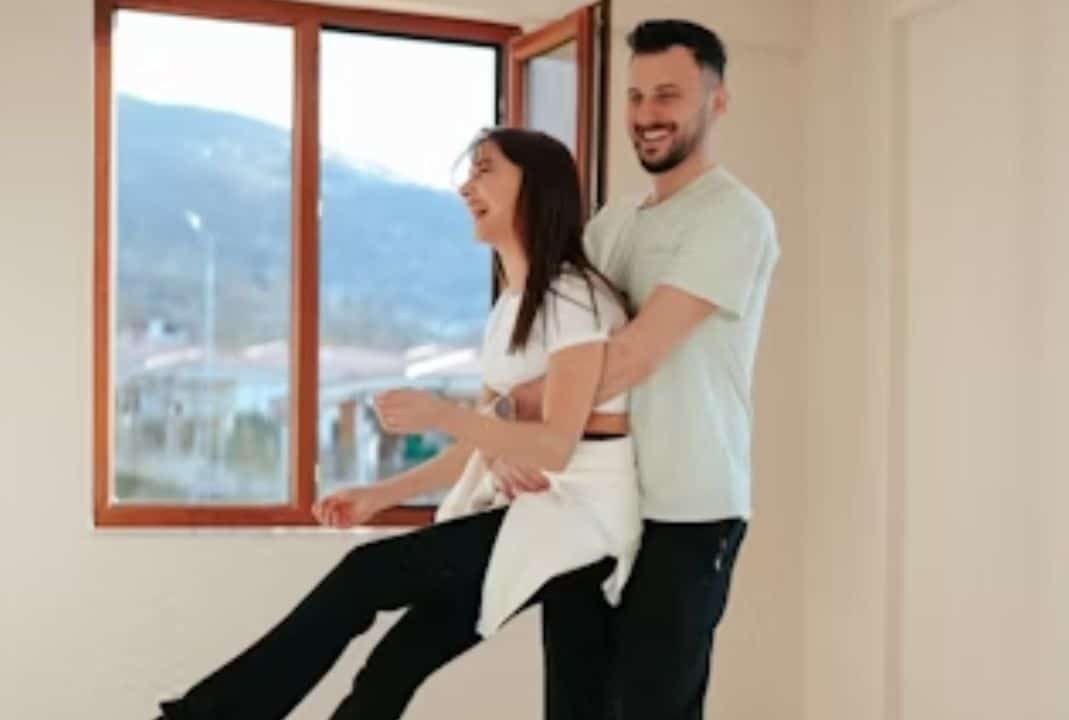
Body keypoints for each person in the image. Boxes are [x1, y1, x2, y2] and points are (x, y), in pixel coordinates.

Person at [154, 127, 640, 720]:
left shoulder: (575, 299)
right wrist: (379, 496)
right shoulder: (511, 309)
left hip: (577, 521)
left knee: (365, 579)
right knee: (397, 662)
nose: (467, 186)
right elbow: (478, 447)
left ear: (534, 188)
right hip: (530, 512)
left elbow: (556, 446)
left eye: (486, 170)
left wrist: (444, 414)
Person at [492, 19, 781, 720]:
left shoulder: (734, 219)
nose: (647, 114)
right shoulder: (609, 225)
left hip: (687, 512)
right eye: (636, 96)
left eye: (668, 95)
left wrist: (512, 417)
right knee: (576, 708)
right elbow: (545, 337)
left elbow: (629, 357)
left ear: (716, 101)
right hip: (593, 502)